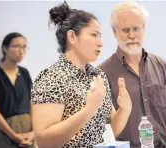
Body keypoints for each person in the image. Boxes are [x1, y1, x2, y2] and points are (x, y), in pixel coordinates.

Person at [30, 2, 132, 148]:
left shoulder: (98, 76)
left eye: (100, 36)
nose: (100, 43)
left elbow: (109, 130)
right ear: (72, 36)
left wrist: (125, 109)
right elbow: (43, 141)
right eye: (93, 35)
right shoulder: (51, 78)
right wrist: (88, 110)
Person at [98, 1, 166, 148]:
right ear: (115, 32)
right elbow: (103, 130)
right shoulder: (102, 73)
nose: (132, 35)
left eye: (136, 28)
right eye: (125, 30)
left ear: (144, 29)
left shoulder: (160, 65)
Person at [0, 32, 35, 148]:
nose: (21, 51)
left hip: (28, 128)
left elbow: (32, 103)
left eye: (24, 47)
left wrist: (34, 131)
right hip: (6, 130)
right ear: (5, 48)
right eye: (16, 46)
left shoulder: (24, 73)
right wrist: (13, 135)